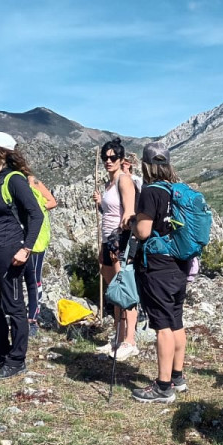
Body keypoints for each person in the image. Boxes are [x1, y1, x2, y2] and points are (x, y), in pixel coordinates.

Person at [130, 141, 198, 403]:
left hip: (157, 266)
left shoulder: (150, 192)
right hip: (179, 264)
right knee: (176, 319)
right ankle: (177, 377)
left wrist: (132, 224)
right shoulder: (176, 191)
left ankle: (162, 386)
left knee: (162, 326)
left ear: (146, 166)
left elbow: (144, 231)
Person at [0, 132, 43, 380]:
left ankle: (17, 359)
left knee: (14, 306)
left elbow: (36, 215)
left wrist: (26, 249)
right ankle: (2, 351)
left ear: (0, 151)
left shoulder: (15, 180)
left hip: (10, 250)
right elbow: (0, 215)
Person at [0, 172, 55, 338]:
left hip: (35, 240)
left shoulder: (33, 182)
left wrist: (34, 206)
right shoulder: (5, 184)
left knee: (33, 279)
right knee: (3, 280)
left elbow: (51, 202)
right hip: (13, 238)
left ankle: (32, 320)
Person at [94, 139, 139, 361]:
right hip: (107, 240)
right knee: (114, 291)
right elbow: (111, 210)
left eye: (113, 158)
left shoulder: (124, 180)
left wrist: (118, 242)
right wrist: (100, 205)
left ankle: (130, 340)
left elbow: (128, 213)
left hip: (118, 240)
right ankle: (118, 337)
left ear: (121, 160)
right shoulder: (109, 184)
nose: (108, 161)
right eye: (105, 158)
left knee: (124, 290)